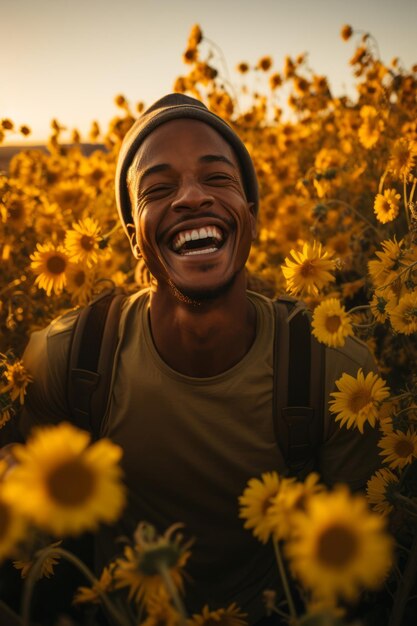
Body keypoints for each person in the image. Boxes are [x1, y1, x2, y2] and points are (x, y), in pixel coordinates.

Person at [18, 94, 380, 624]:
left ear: (251, 218)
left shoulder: (335, 371)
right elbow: (29, 548)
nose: (191, 198)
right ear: (133, 241)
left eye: (217, 179)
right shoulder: (65, 358)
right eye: (159, 189)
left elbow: (364, 580)